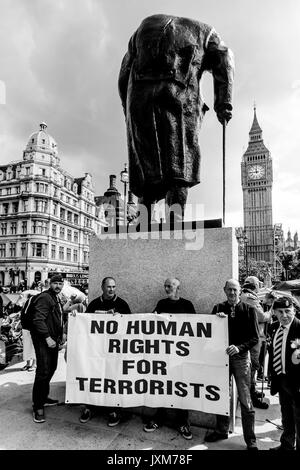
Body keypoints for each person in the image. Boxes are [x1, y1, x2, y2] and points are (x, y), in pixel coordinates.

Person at [118, 14, 234, 223]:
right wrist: (223, 104)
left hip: (138, 98)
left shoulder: (139, 31)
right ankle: (175, 221)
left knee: (145, 163)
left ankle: (144, 222)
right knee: (179, 162)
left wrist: (128, 110)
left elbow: (123, 74)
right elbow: (225, 58)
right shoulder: (207, 33)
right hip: (179, 99)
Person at [205, 279, 259, 450]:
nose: (232, 293)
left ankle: (250, 440)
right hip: (222, 358)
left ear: (240, 291)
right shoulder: (218, 308)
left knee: (245, 397)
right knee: (221, 395)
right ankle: (221, 430)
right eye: (229, 290)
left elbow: (255, 338)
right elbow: (209, 331)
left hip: (241, 358)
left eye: (235, 290)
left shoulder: (249, 309)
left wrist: (239, 347)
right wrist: (216, 320)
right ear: (224, 290)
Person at [143, 278, 195, 440]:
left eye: (170, 285)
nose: (166, 288)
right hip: (163, 355)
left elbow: (196, 326)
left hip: (181, 356)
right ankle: (159, 417)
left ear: (178, 287)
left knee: (181, 388)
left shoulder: (187, 305)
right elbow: (152, 321)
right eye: (165, 286)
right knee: (162, 386)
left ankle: (183, 422)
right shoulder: (161, 303)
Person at [79, 277, 131, 426]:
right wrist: (77, 318)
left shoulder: (122, 304)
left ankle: (113, 410)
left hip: (114, 350)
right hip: (96, 350)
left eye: (114, 287)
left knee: (112, 380)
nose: (111, 289)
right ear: (102, 287)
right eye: (108, 287)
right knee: (93, 378)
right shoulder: (94, 303)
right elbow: (85, 324)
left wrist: (119, 319)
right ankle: (89, 407)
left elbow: (130, 326)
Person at [30, 274, 66, 423]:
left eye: (60, 283)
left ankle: (43, 397)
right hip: (43, 340)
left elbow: (58, 317)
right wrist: (47, 337)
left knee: (51, 368)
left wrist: (62, 332)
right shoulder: (45, 297)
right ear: (50, 284)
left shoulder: (55, 297)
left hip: (52, 340)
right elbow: (38, 319)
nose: (58, 286)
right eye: (55, 283)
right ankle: (37, 406)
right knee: (43, 371)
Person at [269, 296, 300, 451]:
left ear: (294, 310)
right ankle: (287, 445)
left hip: (297, 382)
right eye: (280, 311)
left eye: (288, 311)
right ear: (274, 312)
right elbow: (273, 352)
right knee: (286, 415)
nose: (284, 315)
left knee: (299, 419)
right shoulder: (274, 327)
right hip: (281, 380)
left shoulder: (299, 328)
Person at [240, 276, 271, 409]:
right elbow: (262, 317)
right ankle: (252, 398)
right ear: (254, 285)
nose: (260, 286)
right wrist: (271, 310)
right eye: (258, 284)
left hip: (254, 337)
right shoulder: (249, 297)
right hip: (253, 339)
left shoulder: (249, 296)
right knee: (252, 368)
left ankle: (253, 392)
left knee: (254, 367)